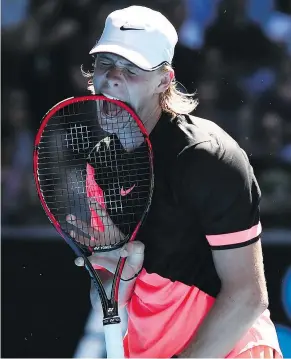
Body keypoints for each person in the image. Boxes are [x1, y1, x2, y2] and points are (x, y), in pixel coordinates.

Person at [68, 5, 282, 358]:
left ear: (164, 80)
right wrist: (119, 278)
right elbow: (106, 299)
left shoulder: (206, 157)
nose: (113, 77)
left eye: (132, 68)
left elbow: (247, 297)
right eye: (105, 63)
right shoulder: (100, 164)